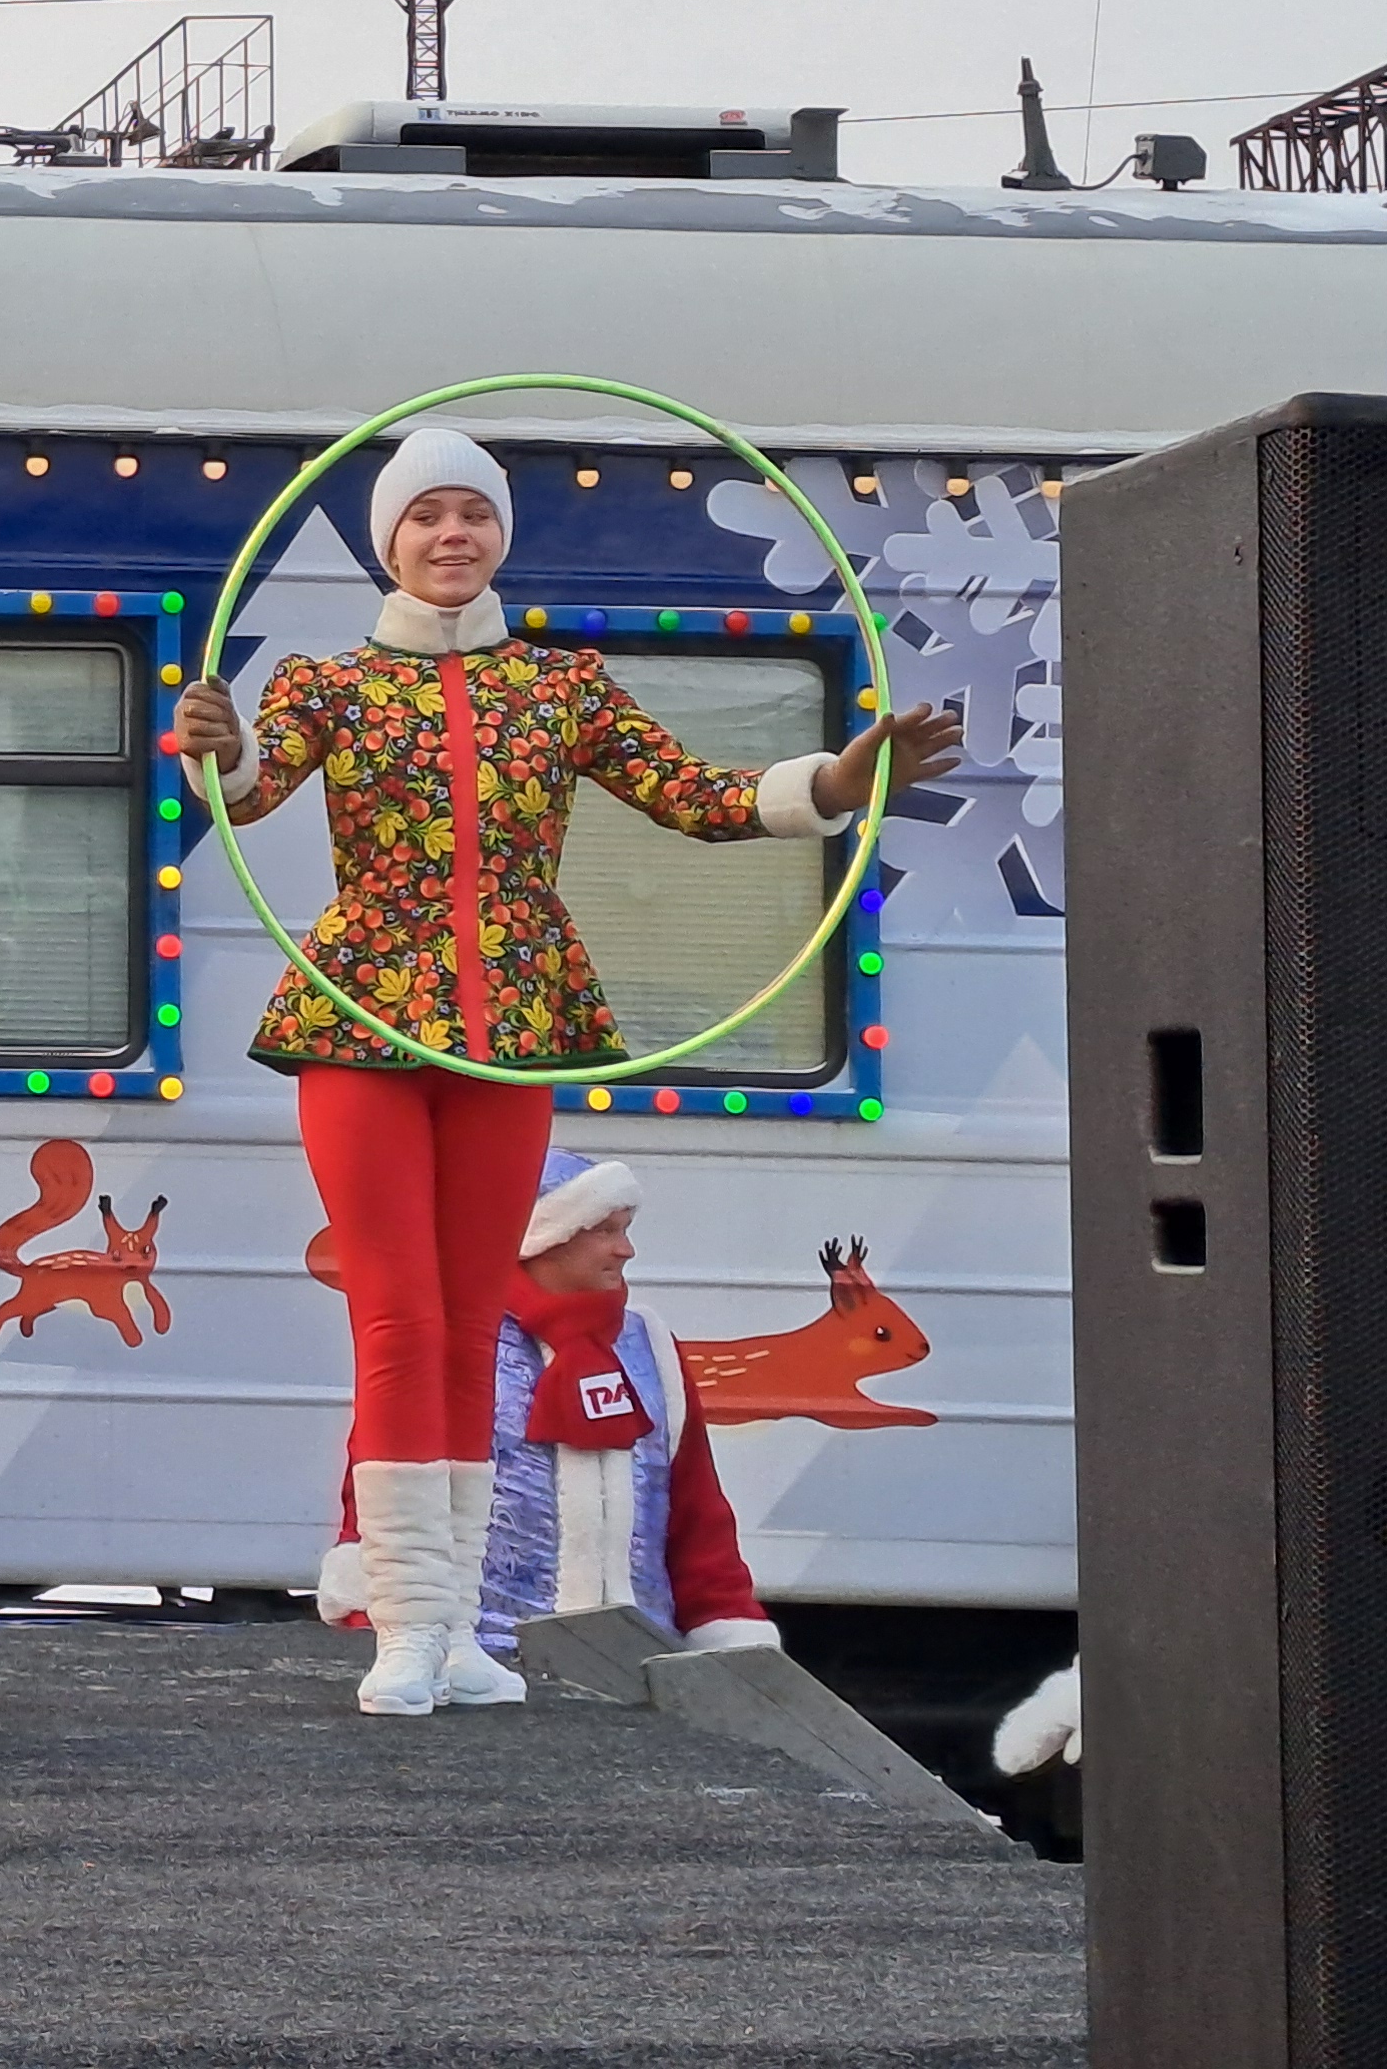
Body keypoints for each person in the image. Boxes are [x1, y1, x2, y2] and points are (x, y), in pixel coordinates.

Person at [173, 426, 955, 1716]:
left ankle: (456, 1629)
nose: (451, 535)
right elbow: (248, 797)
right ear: (388, 541)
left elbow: (691, 796)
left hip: (515, 1021)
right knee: (397, 1314)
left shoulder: (560, 688)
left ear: (500, 536)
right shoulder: (327, 683)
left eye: (473, 515)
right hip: (362, 1017)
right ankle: (406, 1623)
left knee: (471, 1318)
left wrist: (837, 775)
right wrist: (223, 744)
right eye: (425, 516)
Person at [318, 1150, 785, 1660]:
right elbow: (384, 1509)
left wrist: (733, 1637)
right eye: (605, 1230)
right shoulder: (448, 1346)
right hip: (480, 1663)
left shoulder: (650, 1347)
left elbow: (699, 1520)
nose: (626, 1249)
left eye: (625, 1229)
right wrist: (376, 1627)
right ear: (543, 1237)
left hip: (639, 1665)